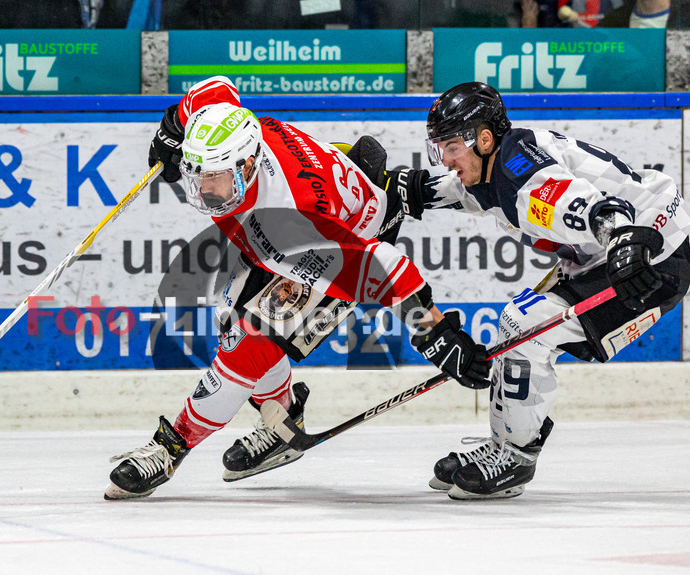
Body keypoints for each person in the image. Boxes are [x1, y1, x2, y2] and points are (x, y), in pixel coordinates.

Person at [104, 76, 491, 500]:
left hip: (338, 247)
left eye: (216, 178)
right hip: (310, 218)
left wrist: (436, 334)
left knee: (246, 348)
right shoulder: (237, 130)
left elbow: (386, 266)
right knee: (230, 321)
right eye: (198, 175)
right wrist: (171, 128)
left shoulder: (296, 220)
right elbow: (215, 89)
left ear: (249, 166)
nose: (206, 191)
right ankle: (284, 420)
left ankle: (170, 447)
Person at [387, 82, 690, 499]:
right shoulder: (496, 165)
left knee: (524, 322)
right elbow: (456, 192)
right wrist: (400, 190)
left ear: (483, 138)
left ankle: (514, 455)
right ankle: (505, 445)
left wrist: (624, 239)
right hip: (604, 255)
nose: (445, 159)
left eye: (451, 146)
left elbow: (596, 209)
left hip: (651, 257)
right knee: (519, 325)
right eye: (438, 147)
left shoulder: (521, 174)